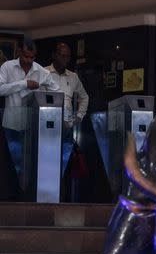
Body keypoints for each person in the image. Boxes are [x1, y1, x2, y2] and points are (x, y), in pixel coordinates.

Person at [0, 37, 60, 178]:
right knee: (9, 168)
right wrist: (24, 84)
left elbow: (57, 92)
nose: (28, 60)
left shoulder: (41, 72)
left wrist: (43, 95)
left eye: (32, 57)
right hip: (10, 125)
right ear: (19, 52)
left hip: (32, 127)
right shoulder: (7, 67)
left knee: (30, 168)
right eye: (26, 56)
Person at [45, 42, 89, 174]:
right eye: (62, 55)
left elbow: (84, 97)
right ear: (54, 55)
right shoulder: (44, 73)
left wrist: (79, 116)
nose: (65, 59)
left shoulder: (73, 76)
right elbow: (38, 99)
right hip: (48, 128)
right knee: (48, 166)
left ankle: (61, 193)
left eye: (68, 56)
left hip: (67, 130)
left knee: (63, 168)